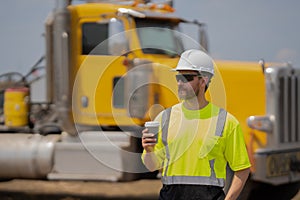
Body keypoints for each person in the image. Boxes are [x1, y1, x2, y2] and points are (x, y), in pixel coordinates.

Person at [141, 49, 251, 200]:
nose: (180, 82)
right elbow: (152, 166)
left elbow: (242, 169)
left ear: (203, 80)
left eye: (186, 77)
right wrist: (148, 150)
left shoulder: (226, 122)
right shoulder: (164, 118)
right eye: (178, 77)